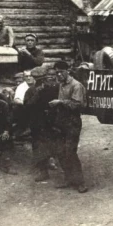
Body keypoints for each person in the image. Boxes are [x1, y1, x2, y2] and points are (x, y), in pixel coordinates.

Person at [48, 60, 87, 193]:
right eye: (56, 72)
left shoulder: (76, 85)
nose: (58, 75)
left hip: (72, 122)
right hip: (61, 121)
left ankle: (80, 182)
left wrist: (60, 102)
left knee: (70, 152)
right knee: (60, 152)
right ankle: (68, 178)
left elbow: (78, 104)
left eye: (61, 72)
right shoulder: (61, 84)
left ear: (67, 71)